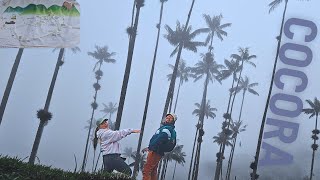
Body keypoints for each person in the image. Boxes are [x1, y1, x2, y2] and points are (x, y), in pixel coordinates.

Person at [142, 113, 177, 180]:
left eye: (170, 118)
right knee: (153, 171)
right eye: (167, 117)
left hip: (155, 150)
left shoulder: (167, 129)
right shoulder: (166, 128)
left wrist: (151, 147)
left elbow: (161, 138)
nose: (168, 118)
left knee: (147, 170)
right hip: (158, 151)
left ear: (173, 121)